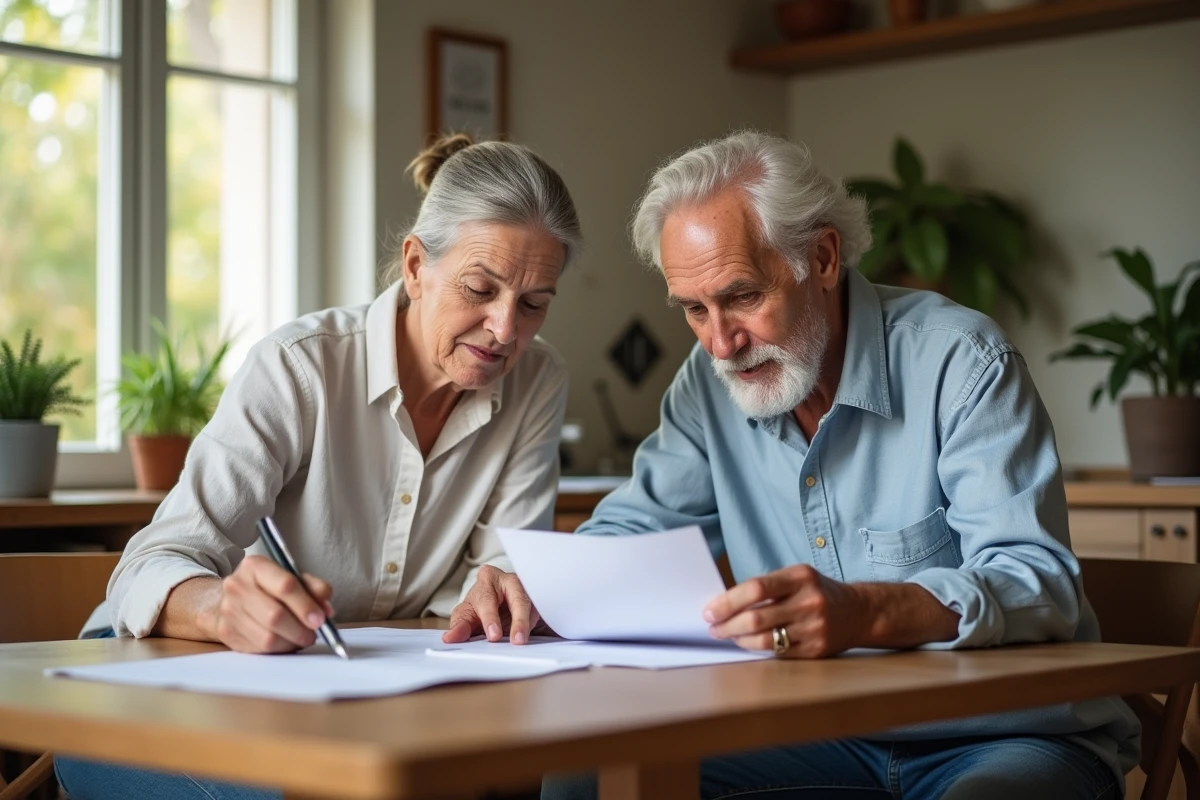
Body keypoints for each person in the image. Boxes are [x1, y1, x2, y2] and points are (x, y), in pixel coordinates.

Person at [451, 131, 1139, 800]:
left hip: (1009, 736)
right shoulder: (707, 383)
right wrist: (540, 586)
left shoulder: (962, 363)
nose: (721, 343)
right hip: (824, 734)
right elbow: (637, 527)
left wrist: (865, 612)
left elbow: (1037, 583)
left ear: (825, 258)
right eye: (694, 309)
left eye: (743, 296)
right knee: (590, 777)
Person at [56, 133, 582, 800]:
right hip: (152, 691)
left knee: (507, 776)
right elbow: (148, 563)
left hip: (357, 703)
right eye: (481, 289)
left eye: (535, 303)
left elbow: (496, 576)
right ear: (416, 266)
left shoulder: (536, 381)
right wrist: (222, 609)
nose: (506, 329)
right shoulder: (298, 367)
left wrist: (503, 590)